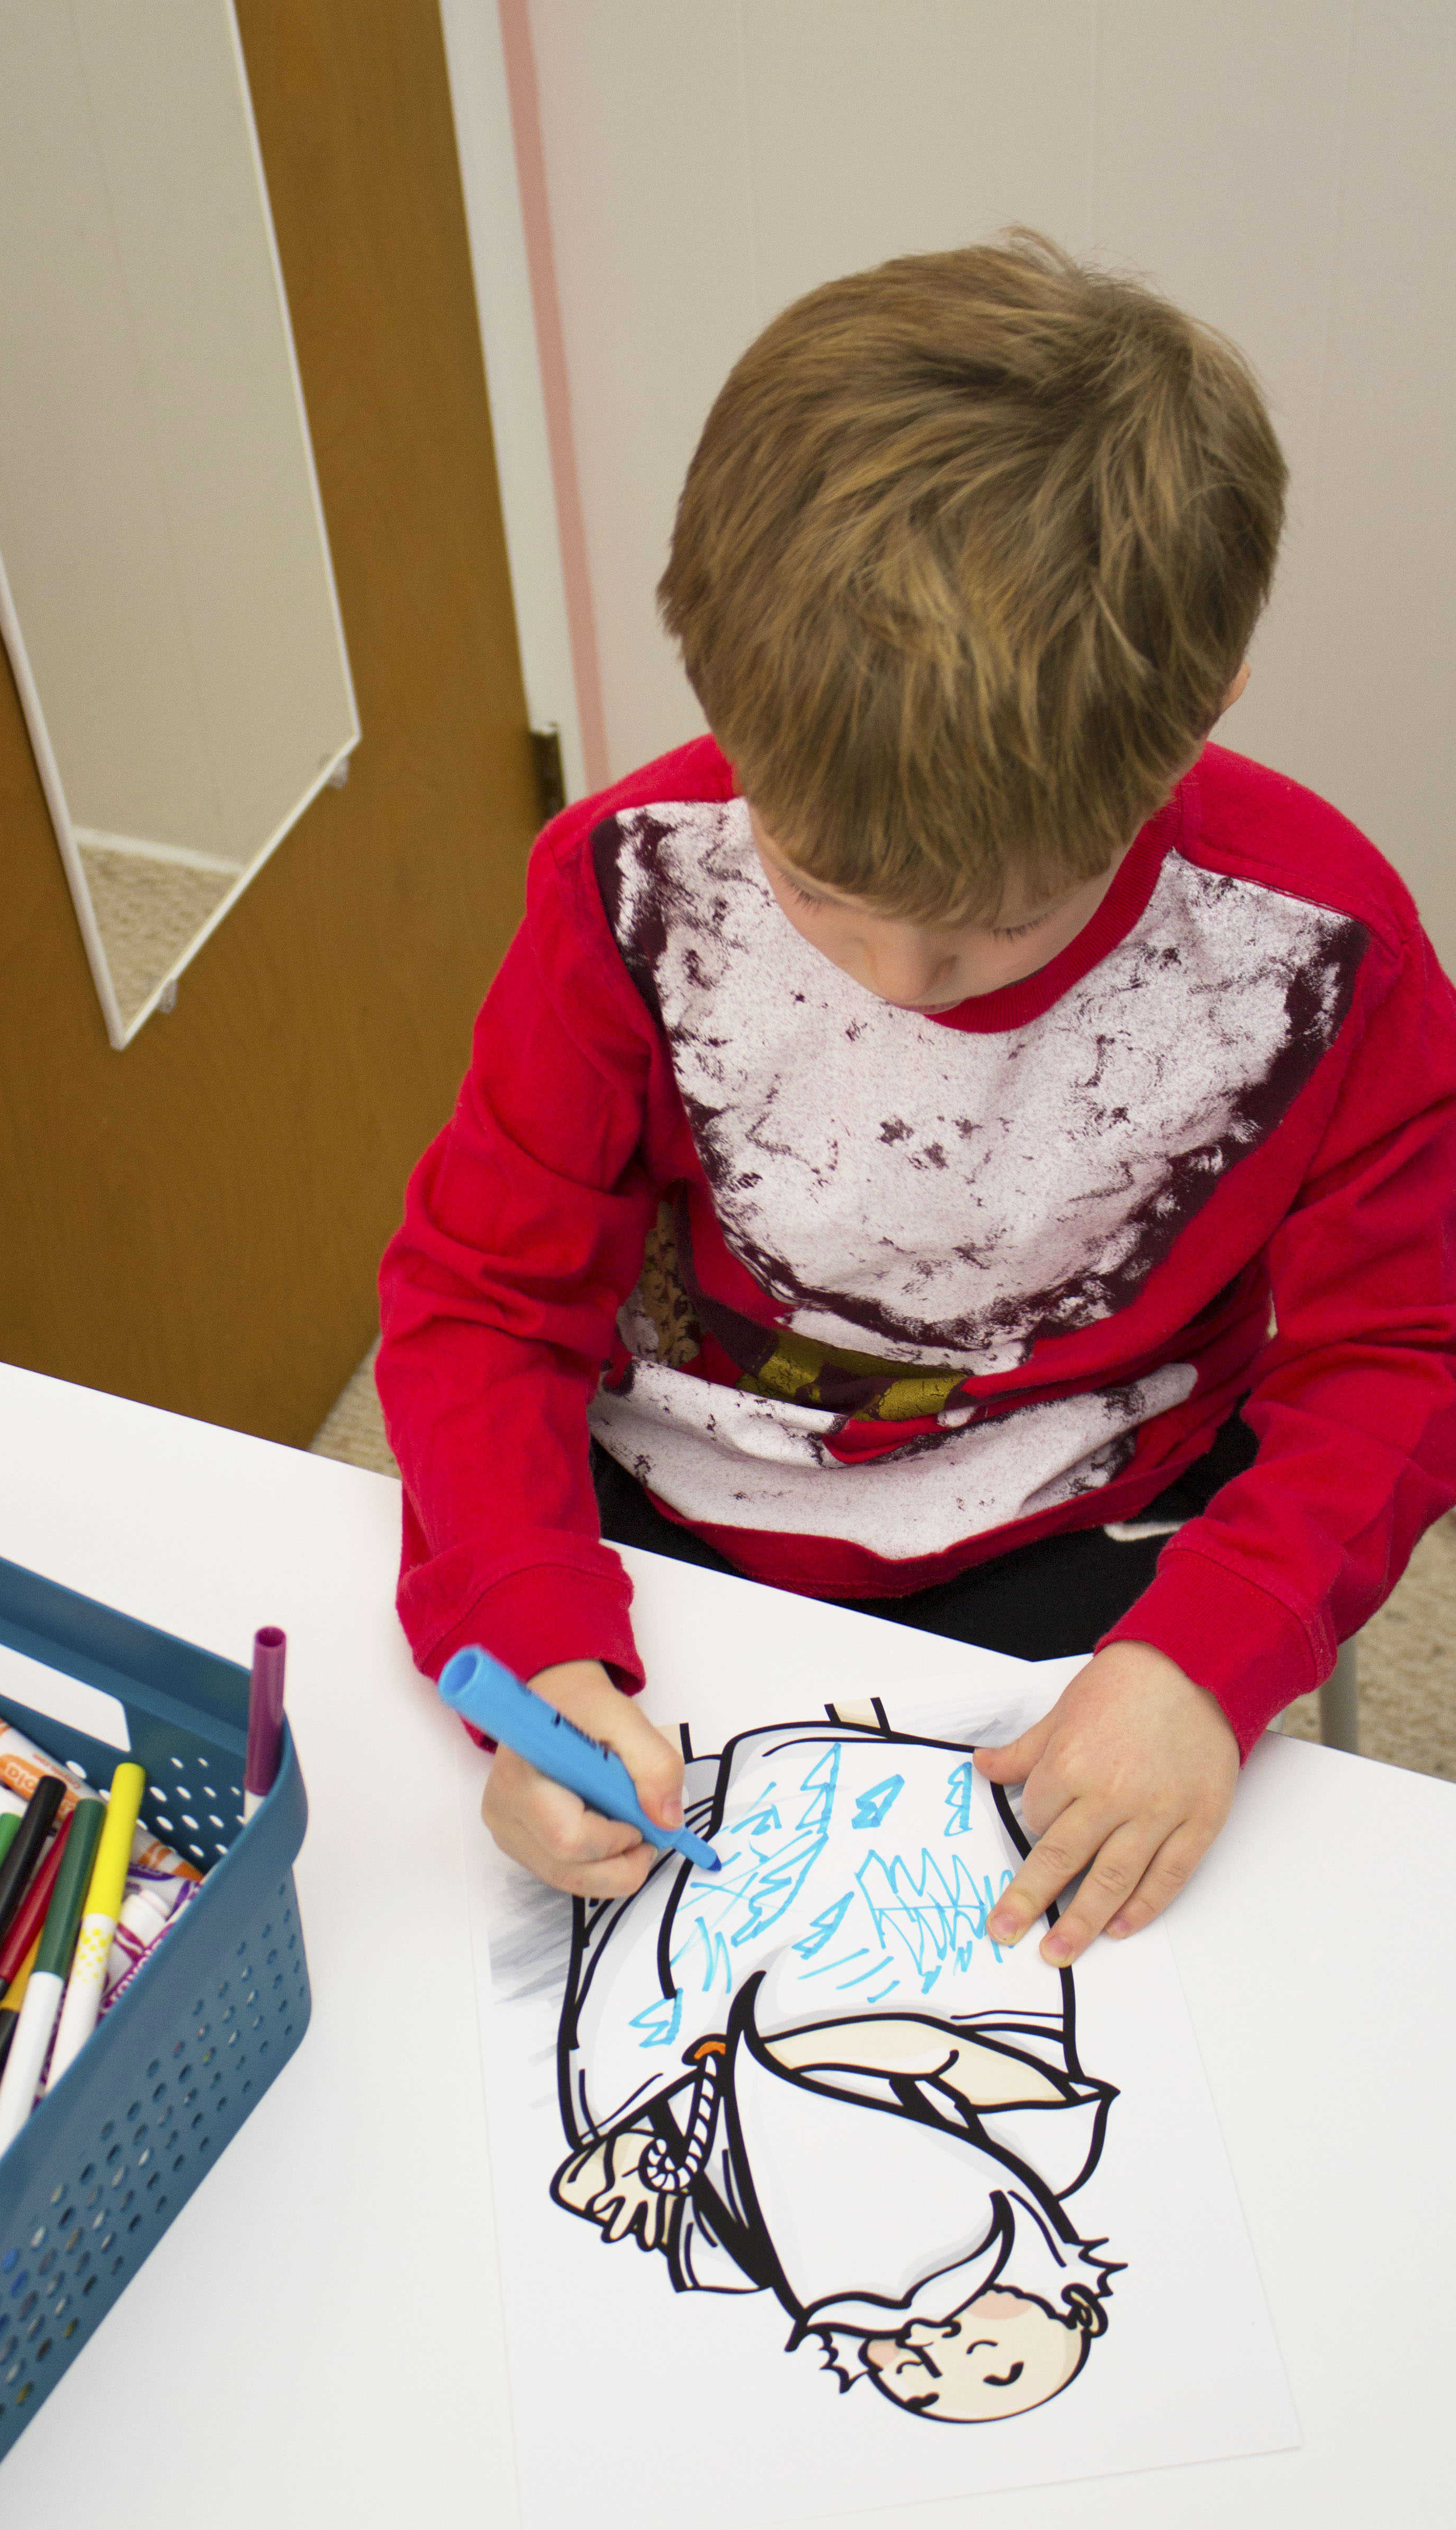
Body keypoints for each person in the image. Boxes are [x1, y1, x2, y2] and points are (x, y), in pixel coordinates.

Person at [376, 228, 1456, 1965]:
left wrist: (1204, 1661)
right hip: (678, 1504)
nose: (892, 985)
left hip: (1098, 1513)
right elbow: (480, 1298)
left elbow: (1400, 1356)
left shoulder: (1325, 956)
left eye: (993, 927)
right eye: (818, 892)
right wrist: (527, 1649)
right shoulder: (628, 883)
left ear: (1195, 723)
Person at [548, 1718, 1122, 2422]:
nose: (944, 2360)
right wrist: (781, 2058)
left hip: (699, 1993)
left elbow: (588, 2181)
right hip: (890, 1957)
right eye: (1000, 2369)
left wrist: (632, 2151)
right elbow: (937, 2046)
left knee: (615, 2065)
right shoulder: (1048, 2160)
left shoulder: (740, 2262)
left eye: (925, 2388)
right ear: (1070, 2305)